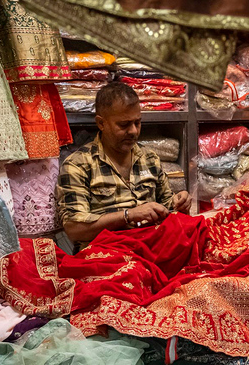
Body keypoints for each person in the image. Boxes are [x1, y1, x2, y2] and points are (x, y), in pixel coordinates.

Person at [56, 82, 191, 248]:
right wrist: (127, 216)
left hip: (151, 247)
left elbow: (167, 206)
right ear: (101, 123)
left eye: (137, 123)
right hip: (105, 256)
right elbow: (74, 229)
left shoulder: (149, 159)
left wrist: (179, 203)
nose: (133, 131)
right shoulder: (78, 165)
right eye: (124, 124)